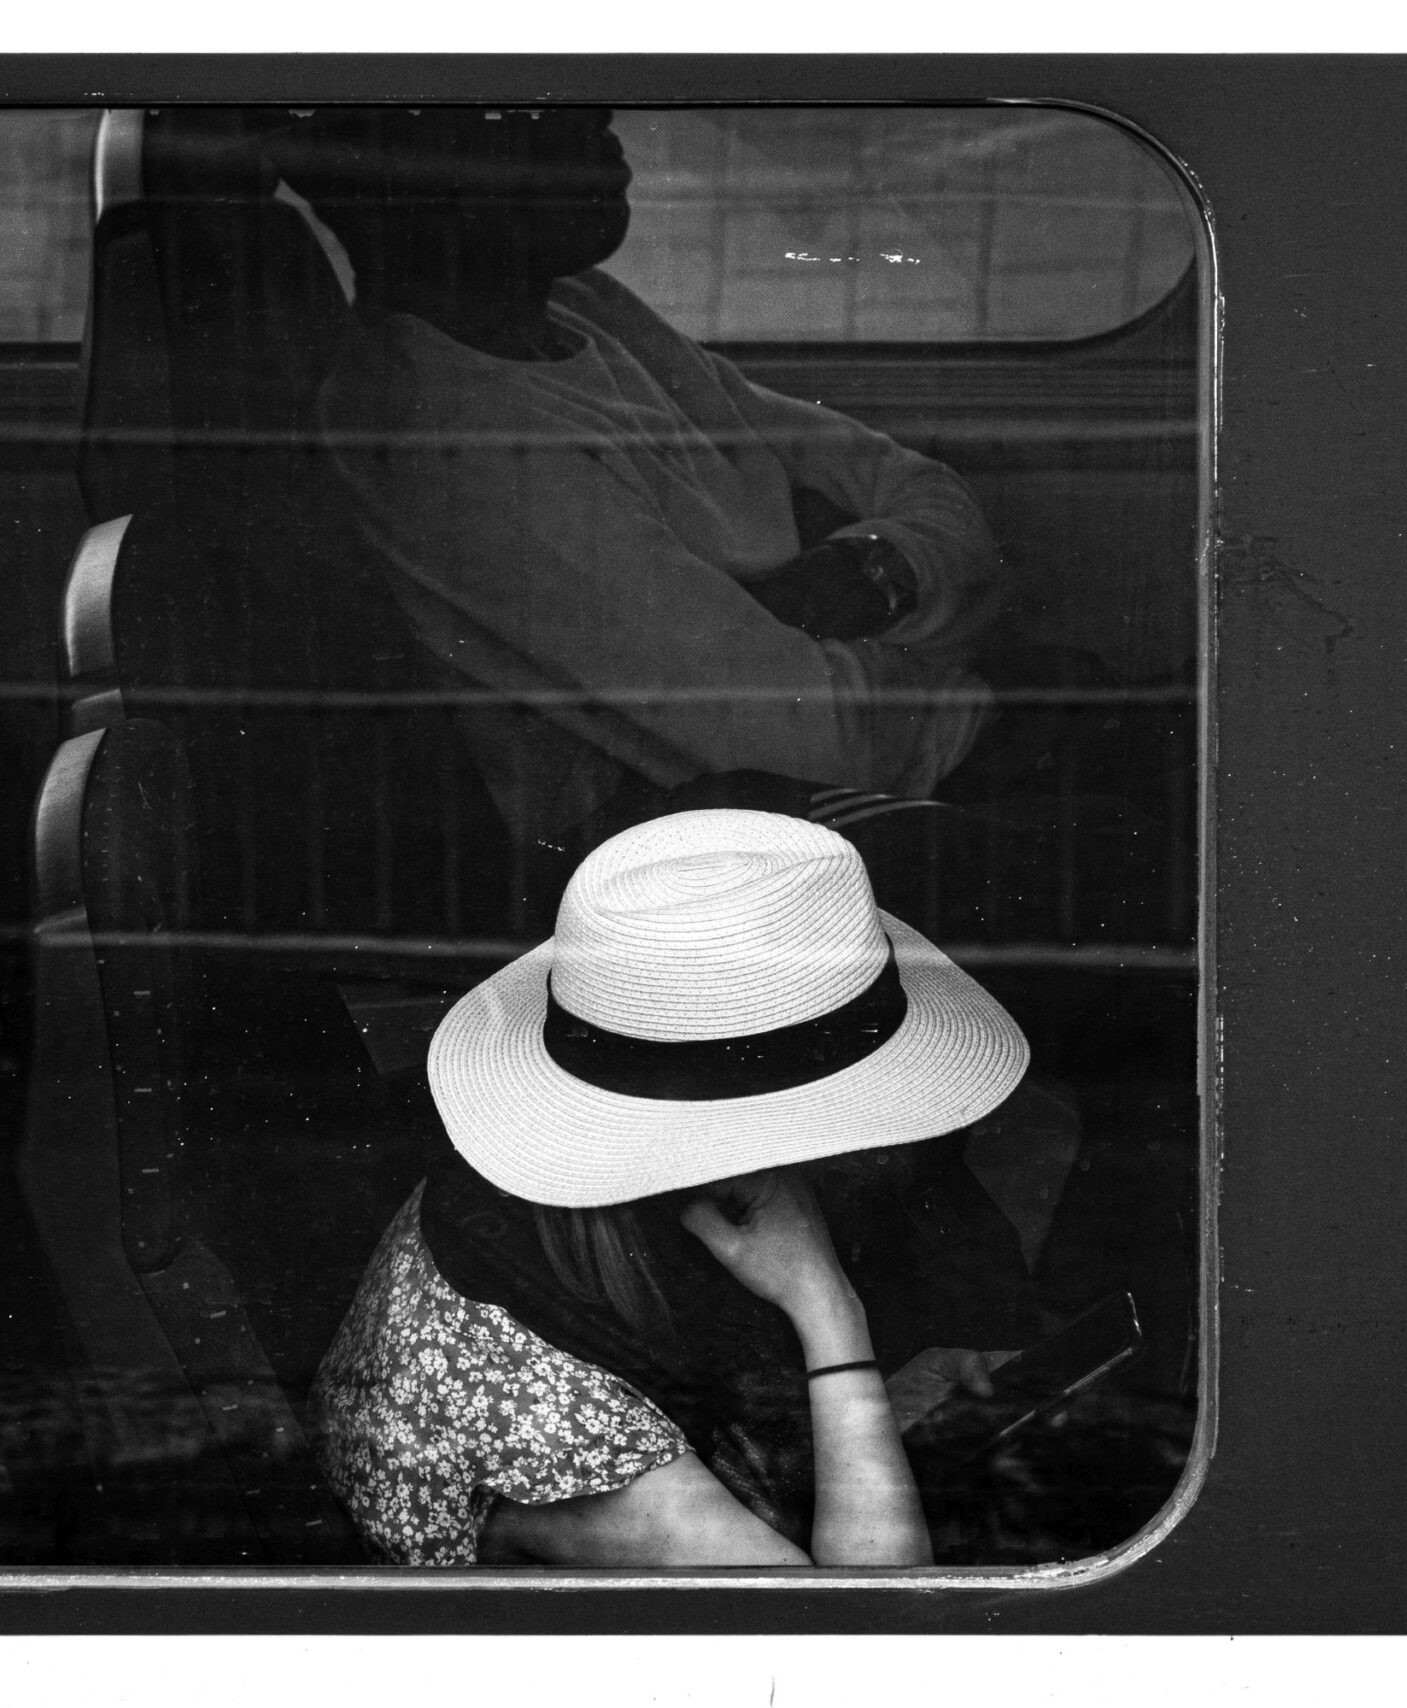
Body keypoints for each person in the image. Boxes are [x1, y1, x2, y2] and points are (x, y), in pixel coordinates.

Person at [273, 108, 1010, 855]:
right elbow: (814, 747)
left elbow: (931, 493)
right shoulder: (446, 431)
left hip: (926, 745)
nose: (594, 116)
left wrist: (868, 569)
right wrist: (929, 620)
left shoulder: (584, 306)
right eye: (524, 111)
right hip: (767, 844)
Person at [310, 809, 1034, 1566]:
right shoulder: (545, 1405)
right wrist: (830, 1312)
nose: (873, 1147)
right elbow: (860, 1618)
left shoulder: (650, 1193)